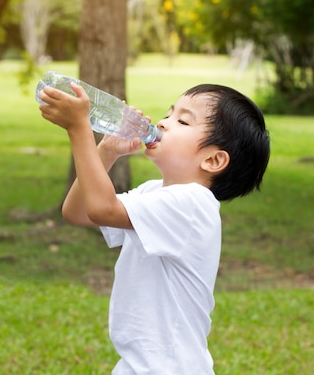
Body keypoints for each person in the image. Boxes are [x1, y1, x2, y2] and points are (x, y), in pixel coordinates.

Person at [38, 81, 270, 375]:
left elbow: (101, 207)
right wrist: (107, 151)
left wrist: (79, 129)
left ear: (213, 160)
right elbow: (79, 212)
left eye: (183, 121)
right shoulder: (154, 192)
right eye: (169, 114)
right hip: (139, 365)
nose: (164, 123)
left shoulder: (193, 205)